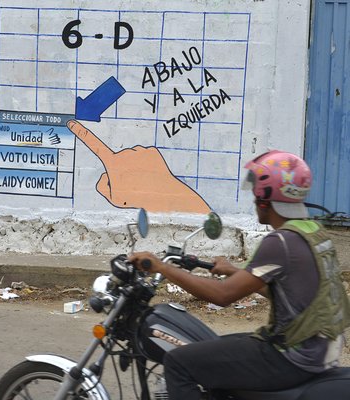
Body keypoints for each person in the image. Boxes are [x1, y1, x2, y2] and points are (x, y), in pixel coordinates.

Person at [129, 150, 350, 399]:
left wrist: (162, 267)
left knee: (179, 362)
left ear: (266, 198)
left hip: (293, 355)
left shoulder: (280, 241)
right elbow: (289, 292)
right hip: (318, 349)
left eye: (256, 192)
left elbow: (222, 296)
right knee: (212, 348)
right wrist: (236, 271)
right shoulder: (312, 232)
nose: (254, 199)